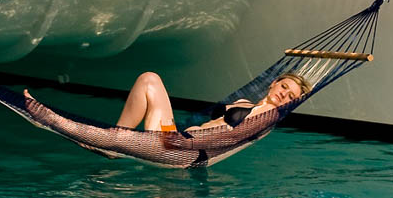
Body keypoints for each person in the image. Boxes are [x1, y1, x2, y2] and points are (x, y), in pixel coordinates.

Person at [108, 70, 312, 133]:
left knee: (150, 79)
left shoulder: (268, 114)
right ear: (274, 83)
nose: (284, 95)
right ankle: (118, 137)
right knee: (148, 79)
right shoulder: (244, 102)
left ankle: (116, 139)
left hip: (178, 148)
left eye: (291, 97)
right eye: (284, 87)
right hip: (173, 137)